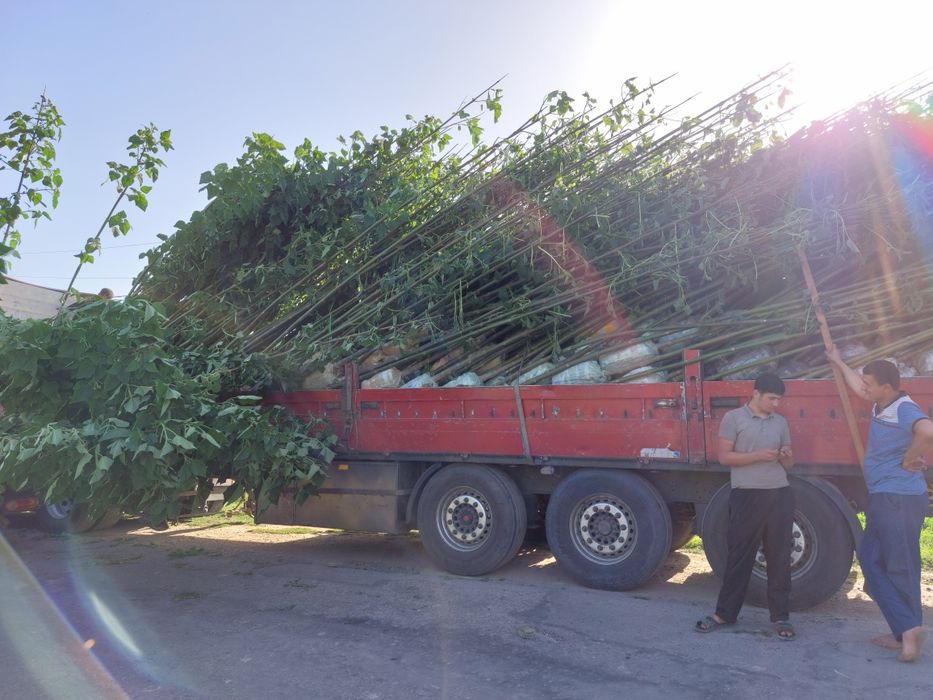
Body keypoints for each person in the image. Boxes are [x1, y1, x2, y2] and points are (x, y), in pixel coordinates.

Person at [827, 347, 933, 662]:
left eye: (870, 384)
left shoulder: (903, 407)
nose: (865, 388)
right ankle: (905, 629)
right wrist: (837, 360)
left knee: (897, 566)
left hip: (897, 499)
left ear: (886, 387)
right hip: (888, 498)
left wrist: (912, 456)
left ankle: (909, 630)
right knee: (874, 560)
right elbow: (858, 386)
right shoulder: (883, 401)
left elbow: (927, 430)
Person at [696, 372, 796, 640]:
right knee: (739, 556)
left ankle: (781, 617)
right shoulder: (733, 419)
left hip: (779, 494)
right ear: (756, 394)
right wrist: (758, 456)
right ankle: (724, 614)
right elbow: (725, 457)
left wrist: (786, 456)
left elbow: (789, 465)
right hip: (746, 495)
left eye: (779, 400)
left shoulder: (781, 422)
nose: (776, 404)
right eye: (772, 398)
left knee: (780, 557)